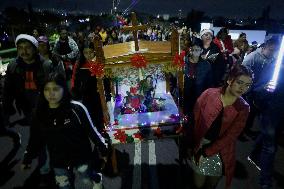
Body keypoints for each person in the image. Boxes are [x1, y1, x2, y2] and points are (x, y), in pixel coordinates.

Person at [22, 72, 108, 189]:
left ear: (64, 89)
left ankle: (96, 178)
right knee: (64, 186)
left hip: (81, 156)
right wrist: (28, 158)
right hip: (58, 160)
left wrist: (103, 149)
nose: (51, 93)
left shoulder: (76, 108)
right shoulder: (40, 114)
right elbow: (35, 138)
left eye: (55, 89)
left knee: (86, 178)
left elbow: (91, 130)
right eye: (47, 89)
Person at [187, 64, 253, 189]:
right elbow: (194, 119)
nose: (243, 88)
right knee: (197, 184)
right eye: (240, 82)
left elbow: (230, 136)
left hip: (220, 151)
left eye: (247, 85)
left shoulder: (243, 108)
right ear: (229, 80)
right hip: (200, 144)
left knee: (211, 185)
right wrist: (191, 144)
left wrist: (206, 153)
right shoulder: (209, 94)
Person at [243, 37, 282, 189]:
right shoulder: (255, 58)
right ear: (266, 46)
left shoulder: (274, 61)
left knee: (269, 135)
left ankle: (254, 154)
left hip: (275, 105)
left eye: (276, 51)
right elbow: (245, 78)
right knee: (270, 146)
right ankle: (265, 182)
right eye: (272, 50)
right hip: (264, 102)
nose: (273, 54)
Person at [71, 42, 108, 132]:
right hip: (86, 97)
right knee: (90, 118)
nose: (88, 55)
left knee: (100, 117)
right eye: (86, 53)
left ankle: (103, 133)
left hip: (98, 96)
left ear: (94, 52)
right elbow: (75, 81)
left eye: (90, 52)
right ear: (82, 53)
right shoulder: (79, 66)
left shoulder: (99, 63)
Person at [183, 40, 212, 118]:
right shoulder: (182, 62)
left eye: (198, 49)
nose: (195, 51)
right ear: (190, 49)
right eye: (193, 49)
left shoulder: (206, 65)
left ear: (201, 50)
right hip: (183, 96)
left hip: (198, 96)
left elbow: (208, 84)